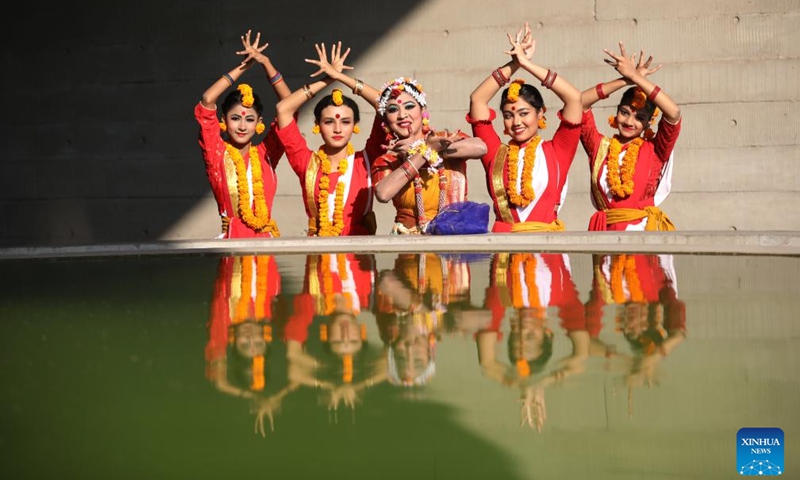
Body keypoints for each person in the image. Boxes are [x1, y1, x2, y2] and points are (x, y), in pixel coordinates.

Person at [467, 23, 584, 233]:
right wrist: (515, 64)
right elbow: (477, 100)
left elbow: (574, 99)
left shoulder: (557, 150)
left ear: (540, 114)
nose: (516, 122)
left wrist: (528, 64)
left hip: (546, 256)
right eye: (509, 115)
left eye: (524, 113)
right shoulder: (495, 153)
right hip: (505, 253)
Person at [275, 42, 385, 236]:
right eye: (329, 122)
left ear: (355, 125)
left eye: (345, 121)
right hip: (319, 261)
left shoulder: (366, 161)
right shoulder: (307, 163)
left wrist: (340, 77)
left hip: (358, 261)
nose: (337, 129)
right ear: (317, 125)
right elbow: (283, 110)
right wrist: (327, 80)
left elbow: (384, 103)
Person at [195, 30, 290, 238]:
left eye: (249, 119)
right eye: (235, 118)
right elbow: (207, 99)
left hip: (266, 248)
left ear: (259, 123)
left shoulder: (267, 153)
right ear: (223, 121)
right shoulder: (217, 154)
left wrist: (265, 63)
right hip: (231, 246)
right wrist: (245, 66)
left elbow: (289, 107)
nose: (242, 126)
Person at [580, 42, 682, 231]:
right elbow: (579, 104)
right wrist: (625, 80)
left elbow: (674, 113)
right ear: (616, 112)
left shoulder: (656, 149)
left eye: (639, 117)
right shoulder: (599, 146)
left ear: (648, 122)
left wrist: (636, 77)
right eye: (625, 112)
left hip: (644, 237)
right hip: (606, 238)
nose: (629, 121)